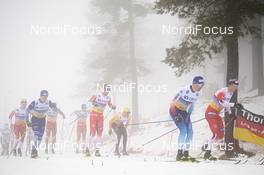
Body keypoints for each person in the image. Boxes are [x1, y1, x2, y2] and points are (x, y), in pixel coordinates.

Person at [203, 79, 243, 160]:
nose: (235, 88)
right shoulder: (222, 91)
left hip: (216, 114)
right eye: (234, 86)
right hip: (210, 113)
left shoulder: (230, 93)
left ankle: (207, 145)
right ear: (230, 85)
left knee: (220, 135)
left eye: (236, 87)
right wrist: (234, 104)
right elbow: (222, 103)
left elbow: (226, 105)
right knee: (216, 134)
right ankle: (207, 154)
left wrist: (230, 113)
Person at [169, 76, 204, 161]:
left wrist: (188, 115)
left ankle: (186, 153)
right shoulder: (183, 90)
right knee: (183, 130)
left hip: (184, 112)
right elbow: (172, 103)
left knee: (190, 131)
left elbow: (191, 105)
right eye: (200, 85)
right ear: (194, 84)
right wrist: (176, 115)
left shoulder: (197, 94)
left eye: (202, 85)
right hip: (175, 110)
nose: (201, 87)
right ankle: (179, 154)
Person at [85, 84, 116, 157]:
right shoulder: (97, 95)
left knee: (99, 133)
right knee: (92, 132)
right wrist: (93, 103)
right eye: (106, 90)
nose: (107, 91)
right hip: (93, 115)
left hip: (100, 116)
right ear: (103, 89)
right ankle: (87, 150)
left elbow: (110, 104)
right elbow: (89, 102)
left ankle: (97, 151)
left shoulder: (108, 98)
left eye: (109, 90)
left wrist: (113, 106)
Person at [26, 90, 53, 158]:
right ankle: (33, 152)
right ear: (40, 96)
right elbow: (27, 110)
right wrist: (27, 121)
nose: (44, 98)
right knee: (36, 135)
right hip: (35, 119)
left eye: (46, 96)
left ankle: (35, 151)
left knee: (40, 138)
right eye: (43, 96)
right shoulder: (35, 102)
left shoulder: (48, 102)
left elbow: (53, 108)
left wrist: (54, 106)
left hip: (42, 120)